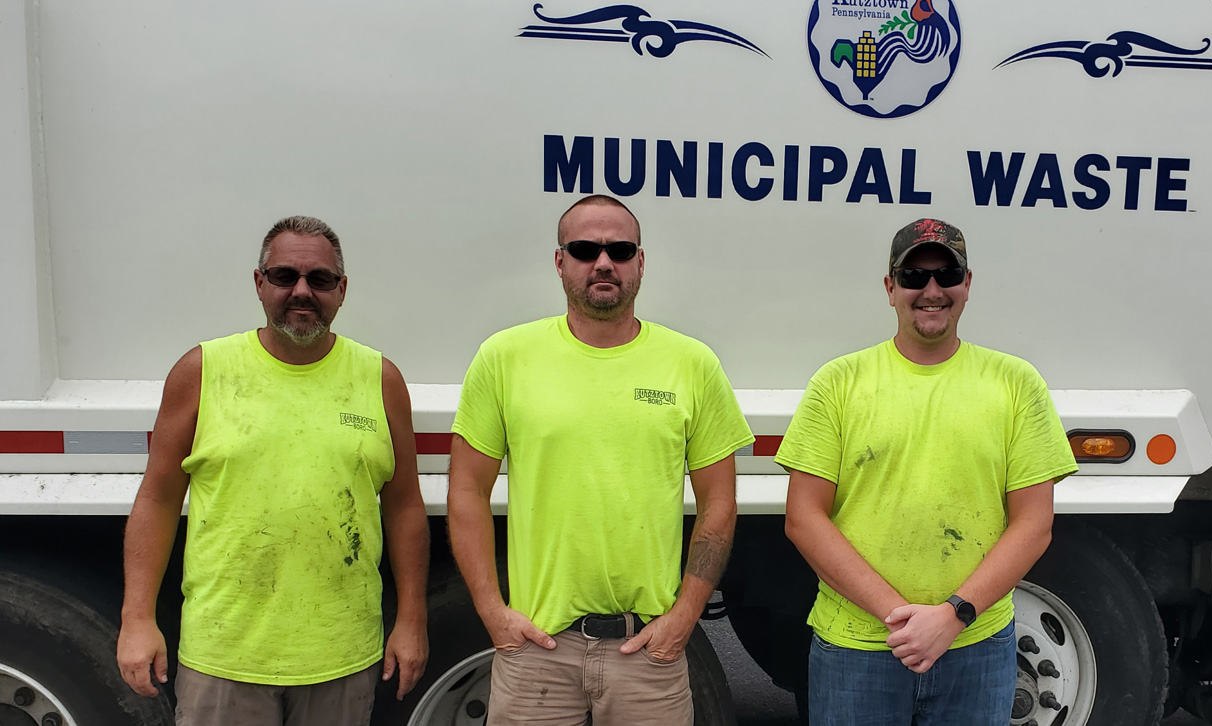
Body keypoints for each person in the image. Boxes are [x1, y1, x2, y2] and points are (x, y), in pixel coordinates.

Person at [447, 194, 753, 726]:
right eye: (586, 249)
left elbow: (719, 505)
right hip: (535, 654)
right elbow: (466, 493)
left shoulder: (693, 364)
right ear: (560, 260)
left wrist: (685, 617)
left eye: (620, 249)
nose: (603, 262)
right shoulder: (504, 358)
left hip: (649, 653)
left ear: (641, 261)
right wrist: (492, 614)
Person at [116, 215, 430, 725]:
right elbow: (157, 499)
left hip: (343, 656)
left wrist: (412, 620)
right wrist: (137, 619)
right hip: (224, 658)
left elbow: (404, 506)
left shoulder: (380, 379)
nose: (302, 291)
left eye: (320, 279)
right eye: (285, 276)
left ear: (342, 290)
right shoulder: (202, 372)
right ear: (259, 283)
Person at [779, 218, 1078, 725]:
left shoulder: (1016, 384)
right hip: (857, 647)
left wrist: (952, 616)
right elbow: (803, 518)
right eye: (915, 276)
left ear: (967, 284)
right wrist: (903, 620)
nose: (932, 289)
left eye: (947, 273)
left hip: (976, 645)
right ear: (890, 288)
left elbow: (1034, 524)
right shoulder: (838, 382)